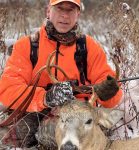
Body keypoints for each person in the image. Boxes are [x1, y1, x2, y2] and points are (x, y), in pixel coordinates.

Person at [0, 0, 122, 148]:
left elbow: (112, 96)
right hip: (36, 112)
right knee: (6, 138)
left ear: (78, 14)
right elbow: (7, 89)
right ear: (48, 11)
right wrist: (46, 98)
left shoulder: (89, 47)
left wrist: (108, 93)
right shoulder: (27, 46)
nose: (64, 15)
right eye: (59, 9)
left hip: (80, 115)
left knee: (57, 133)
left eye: (70, 10)